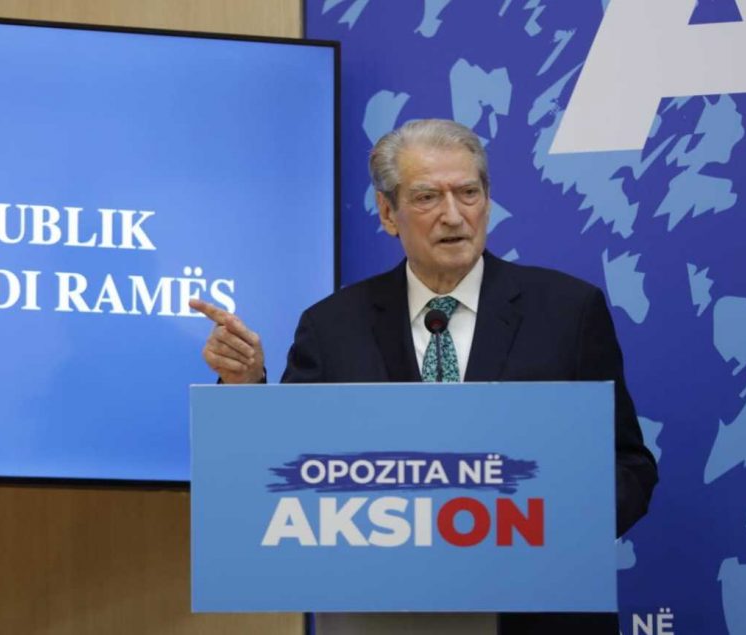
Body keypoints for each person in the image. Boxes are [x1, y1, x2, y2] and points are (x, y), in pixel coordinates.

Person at [190, 118, 658, 634]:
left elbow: (629, 465)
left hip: (537, 612)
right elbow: (290, 470)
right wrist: (245, 385)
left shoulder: (568, 311)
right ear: (388, 213)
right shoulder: (332, 326)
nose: (453, 215)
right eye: (427, 197)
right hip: (380, 613)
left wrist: (557, 532)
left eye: (468, 193)